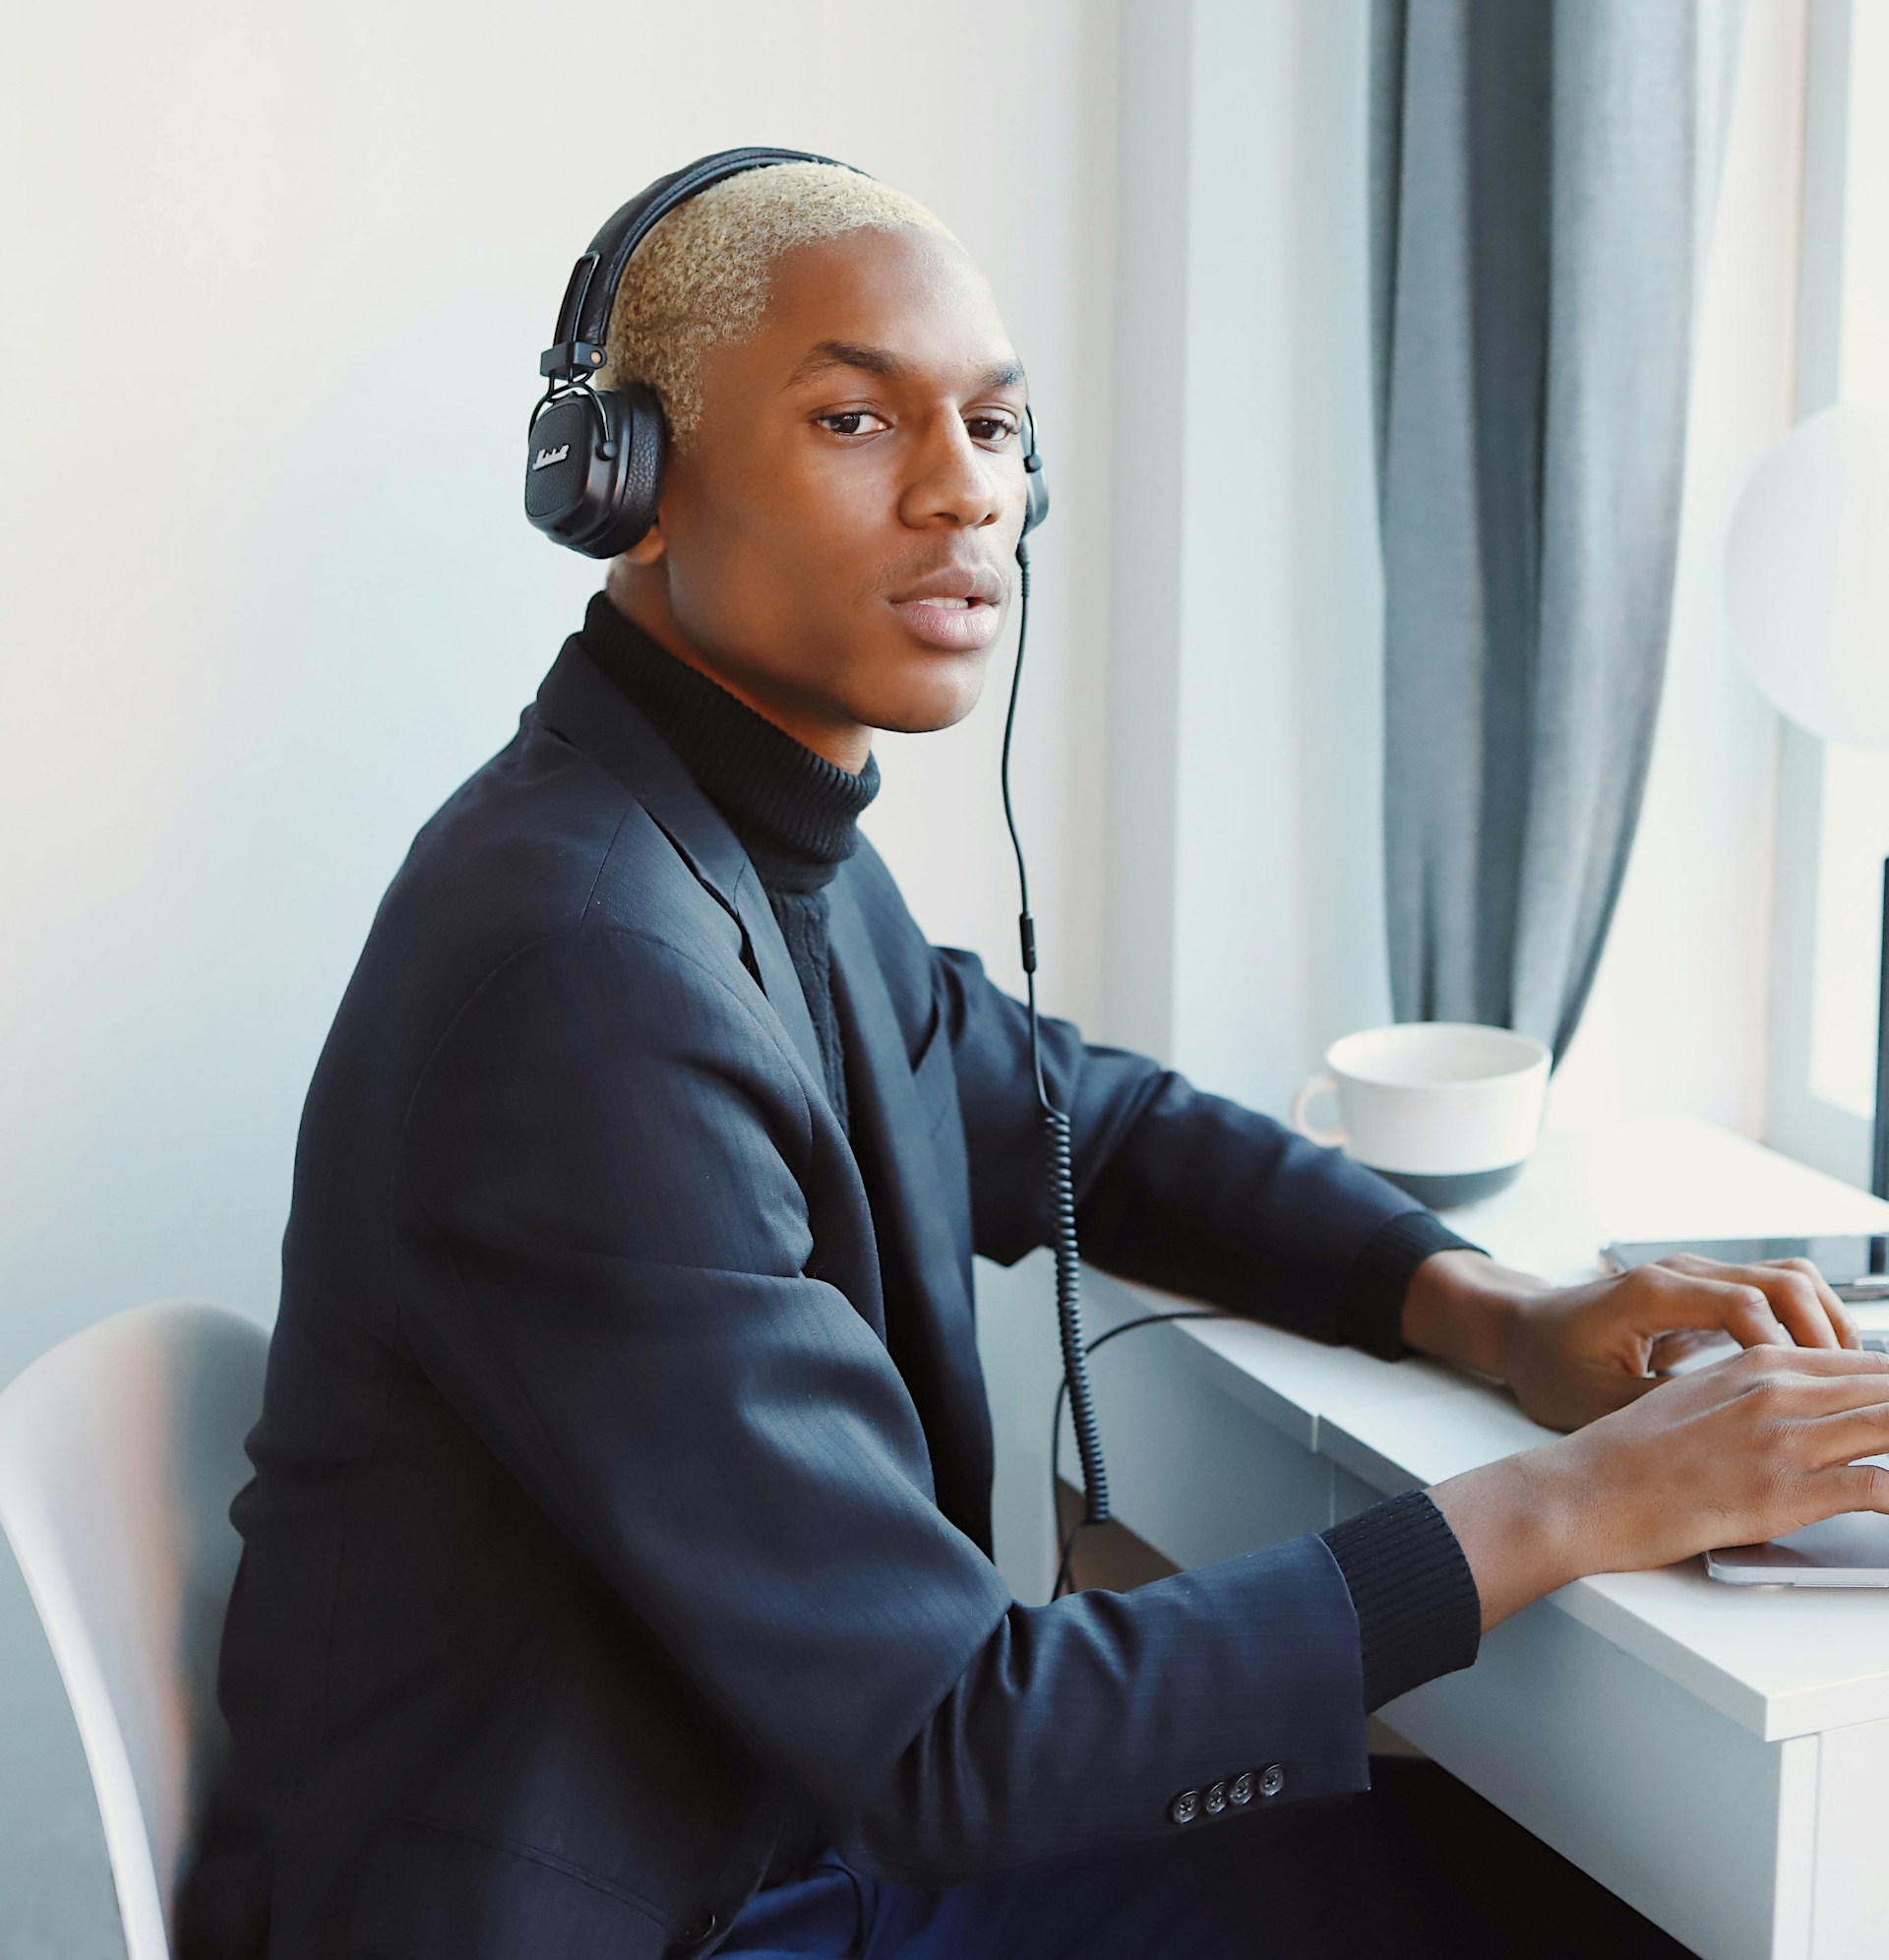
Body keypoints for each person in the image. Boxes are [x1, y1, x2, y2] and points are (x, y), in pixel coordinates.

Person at [181, 157, 1889, 1960]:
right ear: (631, 485)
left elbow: (1087, 1123)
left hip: (756, 1843)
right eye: (856, 416)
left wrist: (1492, 1311)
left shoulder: (735, 844)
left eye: (996, 427)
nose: (966, 494)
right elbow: (951, 1746)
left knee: (1501, 1870)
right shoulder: (585, 973)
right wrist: (1597, 1497)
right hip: (659, 1919)